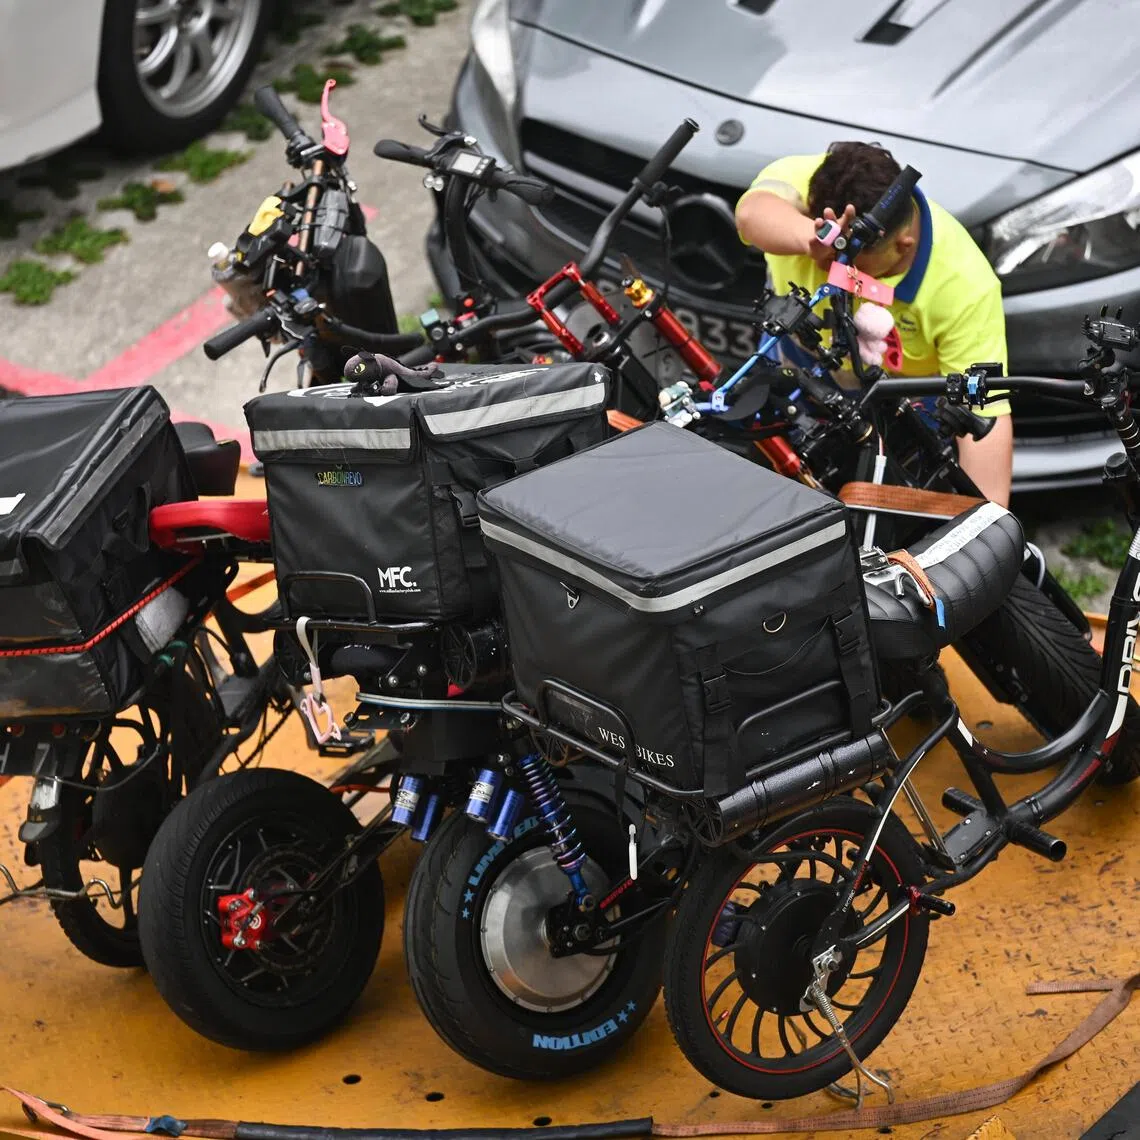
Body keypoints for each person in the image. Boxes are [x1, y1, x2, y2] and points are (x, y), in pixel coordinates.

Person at [735, 141, 1013, 506]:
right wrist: (813, 238)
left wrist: (989, 536)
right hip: (798, 368)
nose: (832, 268)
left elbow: (983, 418)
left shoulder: (965, 286)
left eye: (853, 261)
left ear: (903, 244)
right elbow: (751, 214)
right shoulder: (825, 181)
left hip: (902, 404)